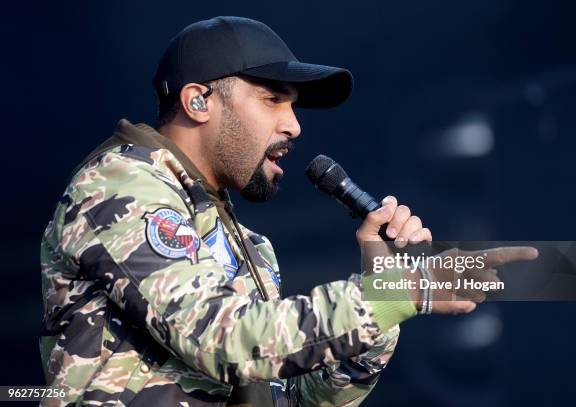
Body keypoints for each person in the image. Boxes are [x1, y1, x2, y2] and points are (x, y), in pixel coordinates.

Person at [39, 16, 535, 406]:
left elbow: (297, 397)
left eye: (293, 106)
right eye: (273, 99)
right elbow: (222, 337)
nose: (294, 126)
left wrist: (383, 290)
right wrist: (392, 296)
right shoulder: (122, 186)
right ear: (197, 101)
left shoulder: (248, 247)